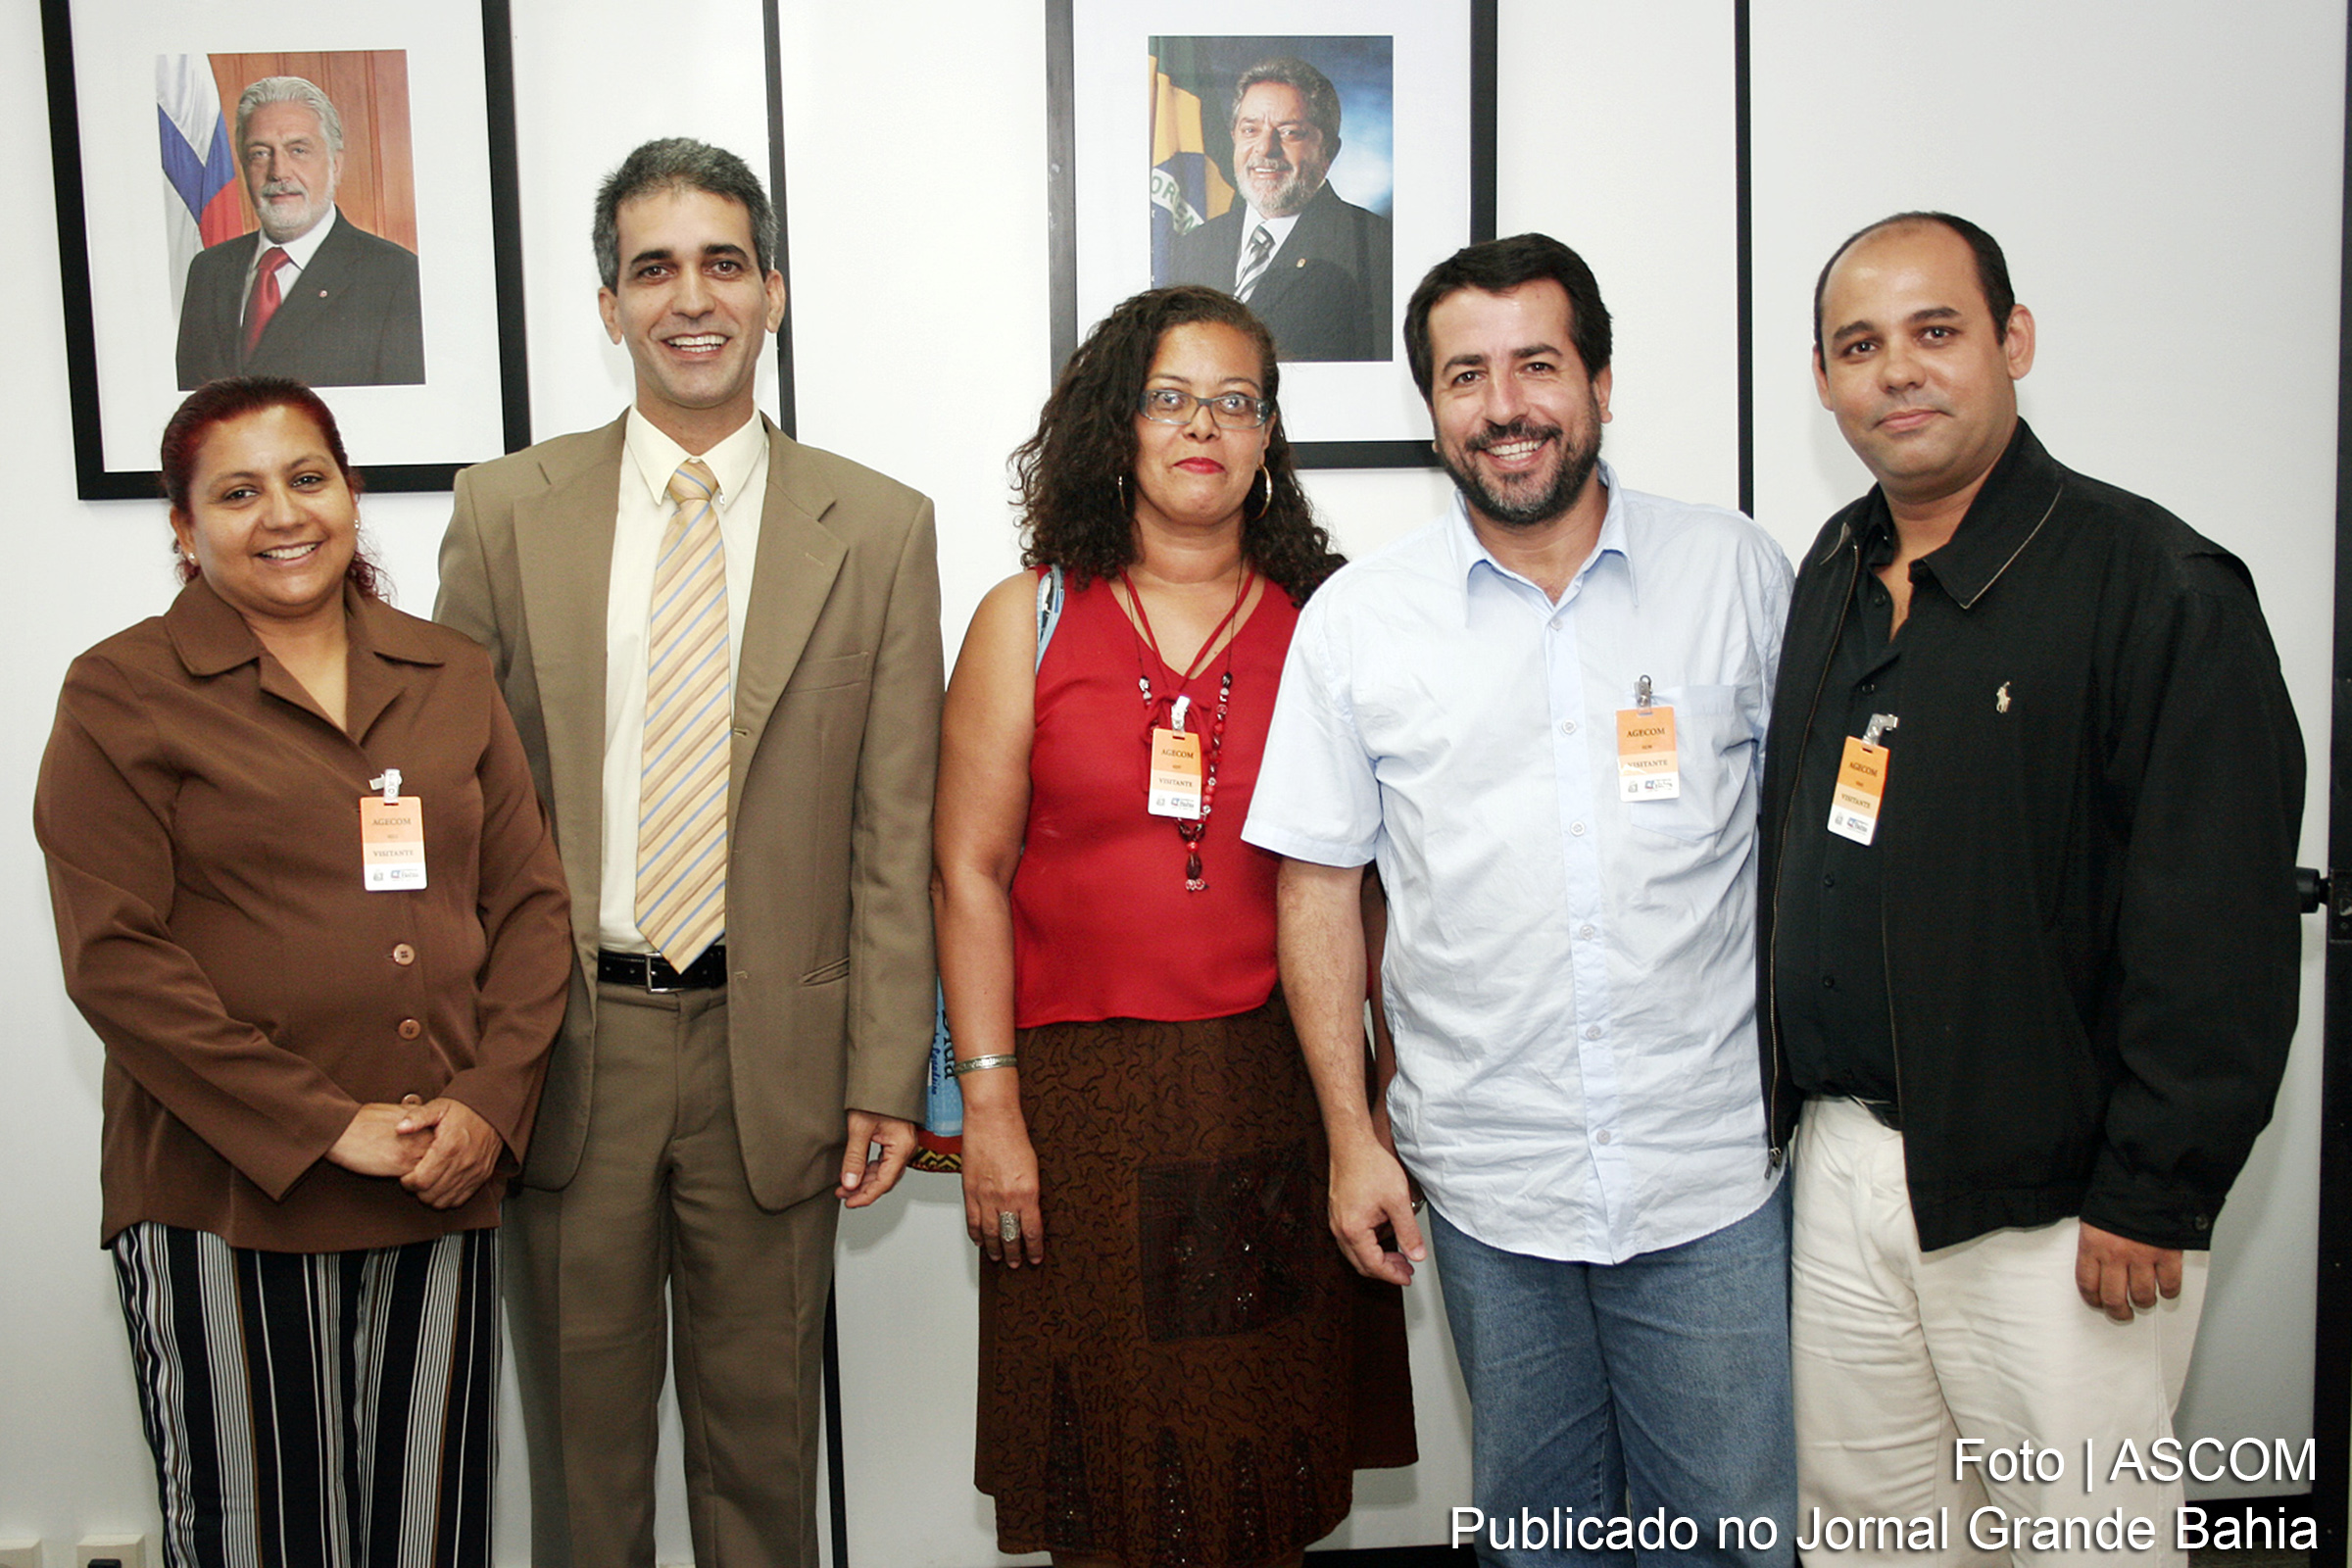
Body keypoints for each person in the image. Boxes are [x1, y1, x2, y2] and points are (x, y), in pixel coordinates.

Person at [1245, 233, 1797, 1566]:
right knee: (1540, 1542)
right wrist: (1349, 1136)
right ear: (1429, 406)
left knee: (1728, 1537)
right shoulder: (1361, 623)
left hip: (1708, 1169)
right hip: (1489, 1180)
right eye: (1465, 376)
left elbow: (1810, 857)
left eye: (1538, 365)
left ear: (1601, 379)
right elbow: (1317, 895)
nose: (1505, 408)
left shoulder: (1738, 574)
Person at [1763, 211, 2303, 1564]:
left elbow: (2218, 926)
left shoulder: (2158, 589)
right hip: (1843, 1172)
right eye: (1860, 345)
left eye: (1936, 333)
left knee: (2081, 1540)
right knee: (1871, 1540)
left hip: (2055, 1202)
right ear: (1822, 381)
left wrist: (2153, 1189)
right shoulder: (1832, 567)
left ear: (2014, 341)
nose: (1898, 372)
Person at [433, 137, 942, 1568]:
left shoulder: (883, 526)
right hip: (570, 1048)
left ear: (773, 291)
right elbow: (456, 812)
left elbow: (894, 830)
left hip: (771, 1061)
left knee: (763, 1462)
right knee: (585, 1477)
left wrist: (885, 1073)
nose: (691, 297)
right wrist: (477, 1058)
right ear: (609, 306)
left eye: (723, 262)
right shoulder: (503, 510)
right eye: (653, 268)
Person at [34, 376, 571, 1565]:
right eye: (236, 492)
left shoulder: (449, 673)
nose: (282, 513)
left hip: (438, 1182)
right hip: (227, 1200)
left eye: (307, 478)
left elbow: (532, 909)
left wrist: (487, 1105)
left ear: (352, 492)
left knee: (429, 1535)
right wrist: (329, 1126)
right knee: (257, 1537)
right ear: (182, 526)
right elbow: (116, 961)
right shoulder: (122, 692)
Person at [936, 284, 1415, 1568]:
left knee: (1256, 1470)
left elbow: (1378, 883)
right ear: (1118, 425)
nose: (1204, 424)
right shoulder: (1024, 618)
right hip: (1080, 1110)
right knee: (1115, 1481)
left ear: (1268, 440)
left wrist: (1367, 1117)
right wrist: (989, 1111)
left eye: (1237, 401)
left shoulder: (1335, 627)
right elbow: (967, 874)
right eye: (1171, 396)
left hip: (1277, 1087)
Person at [175, 75, 425, 389]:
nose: (278, 171)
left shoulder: (396, 276)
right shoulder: (208, 270)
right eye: (260, 153)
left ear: (335, 165)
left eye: (298, 150)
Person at [1169, 57, 1392, 363]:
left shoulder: (1377, 248)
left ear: (1329, 150)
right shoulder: (1194, 246)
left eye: (1290, 132)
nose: (1265, 148)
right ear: (1233, 137)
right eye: (1250, 130)